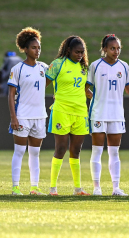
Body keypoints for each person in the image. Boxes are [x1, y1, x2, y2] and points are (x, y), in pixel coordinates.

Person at [86, 34, 129, 196]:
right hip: (98, 113)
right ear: (104, 49)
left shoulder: (124, 67)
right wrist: (95, 98)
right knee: (97, 151)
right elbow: (86, 87)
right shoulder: (95, 66)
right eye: (112, 48)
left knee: (114, 152)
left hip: (117, 114)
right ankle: (97, 188)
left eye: (118, 48)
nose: (116, 51)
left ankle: (116, 188)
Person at [46, 35, 91, 196]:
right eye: (77, 52)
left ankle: (78, 189)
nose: (79, 55)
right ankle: (52, 188)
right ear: (68, 50)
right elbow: (43, 84)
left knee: (76, 151)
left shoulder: (84, 67)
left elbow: (85, 89)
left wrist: (92, 95)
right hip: (61, 111)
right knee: (60, 148)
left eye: (82, 52)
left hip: (80, 112)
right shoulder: (58, 64)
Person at [8, 27, 48, 195]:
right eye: (33, 47)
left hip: (40, 116)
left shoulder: (44, 68)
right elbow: (11, 96)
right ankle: (16, 187)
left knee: (35, 153)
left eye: (38, 48)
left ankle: (34, 187)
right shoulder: (17, 69)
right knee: (19, 151)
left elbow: (48, 83)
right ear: (25, 48)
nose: (37, 51)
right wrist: (14, 118)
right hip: (23, 116)